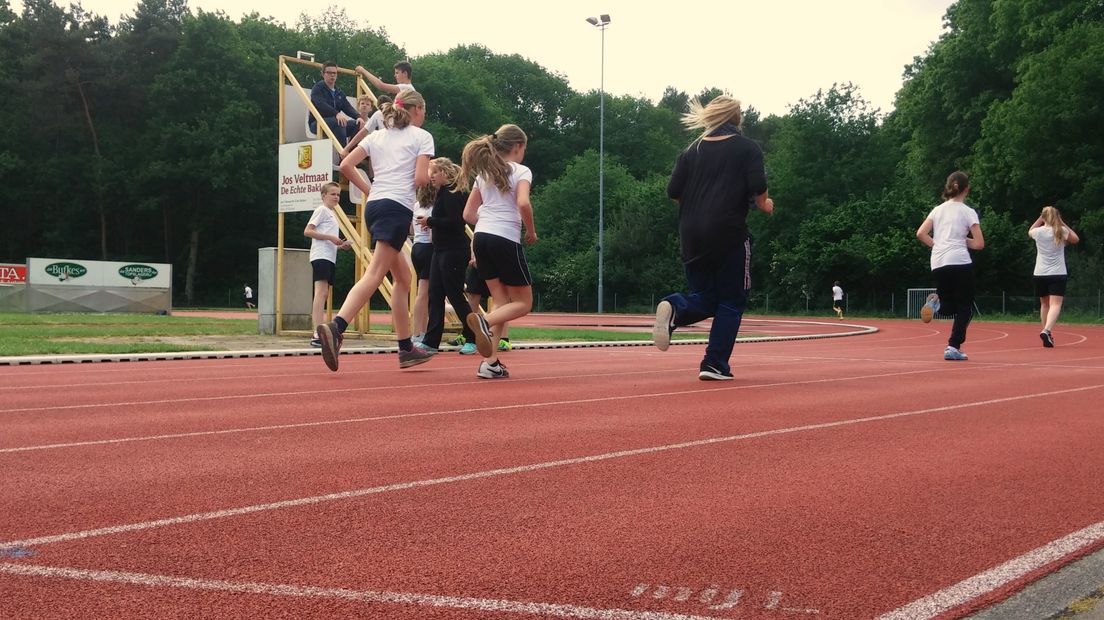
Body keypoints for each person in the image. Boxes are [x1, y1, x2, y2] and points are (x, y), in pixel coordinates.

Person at [652, 95, 773, 381]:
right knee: (732, 300)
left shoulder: (690, 150)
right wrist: (768, 206)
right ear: (737, 118)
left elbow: (674, 193)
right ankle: (714, 363)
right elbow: (759, 191)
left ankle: (676, 309)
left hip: (692, 235)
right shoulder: (747, 148)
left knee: (706, 299)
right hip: (729, 233)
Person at [317, 89, 436, 372]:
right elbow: (420, 177)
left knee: (404, 278)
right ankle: (337, 327)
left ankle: (406, 348)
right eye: (425, 110)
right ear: (417, 110)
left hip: (376, 206)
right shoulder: (422, 137)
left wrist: (370, 190)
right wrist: (433, 177)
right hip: (396, 208)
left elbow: (345, 164)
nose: (425, 115)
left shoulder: (376, 136)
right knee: (375, 273)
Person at [459, 124, 537, 379]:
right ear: (517, 147)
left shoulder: (483, 174)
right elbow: (523, 202)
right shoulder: (521, 170)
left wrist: (488, 216)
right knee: (523, 303)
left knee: (502, 302)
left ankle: (490, 363)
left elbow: (468, 214)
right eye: (524, 148)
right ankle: (484, 321)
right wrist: (531, 231)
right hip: (504, 238)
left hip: (481, 238)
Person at [915, 171, 985, 361]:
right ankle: (953, 346)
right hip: (960, 261)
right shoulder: (968, 211)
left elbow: (921, 233)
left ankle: (935, 303)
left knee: (950, 306)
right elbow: (979, 243)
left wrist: (938, 244)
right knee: (965, 308)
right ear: (967, 189)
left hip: (938, 261)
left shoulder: (937, 210)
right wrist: (961, 240)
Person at [415, 157, 479, 353]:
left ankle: (473, 336)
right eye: (430, 172)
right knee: (435, 294)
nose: (431, 176)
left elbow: (455, 222)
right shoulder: (442, 193)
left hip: (454, 250)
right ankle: (431, 340)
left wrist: (430, 221)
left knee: (455, 295)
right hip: (440, 250)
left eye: (434, 172)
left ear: (444, 172)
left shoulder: (453, 193)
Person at [304, 182, 352, 347]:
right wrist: (331, 238)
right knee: (321, 292)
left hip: (329, 256)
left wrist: (341, 245)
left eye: (338, 194)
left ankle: (319, 331)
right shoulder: (322, 210)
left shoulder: (332, 215)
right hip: (321, 255)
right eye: (333, 194)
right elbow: (308, 231)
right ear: (324, 195)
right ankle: (317, 332)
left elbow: (330, 238)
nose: (336, 197)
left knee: (324, 293)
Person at [1029, 205, 1080, 347]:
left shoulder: (1038, 232)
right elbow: (1075, 239)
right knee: (1055, 304)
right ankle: (1047, 330)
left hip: (1040, 273)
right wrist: (1061, 222)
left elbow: (1030, 230)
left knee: (1044, 304)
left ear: (1043, 217)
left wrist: (1040, 218)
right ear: (1056, 217)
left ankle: (1046, 332)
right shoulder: (1061, 231)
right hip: (1057, 273)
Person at [308, 62, 360, 146]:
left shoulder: (338, 92)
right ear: (323, 74)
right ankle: (343, 155)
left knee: (357, 124)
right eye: (329, 72)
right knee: (339, 122)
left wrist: (358, 117)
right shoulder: (317, 89)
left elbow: (347, 106)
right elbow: (321, 104)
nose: (332, 75)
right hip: (317, 123)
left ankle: (350, 151)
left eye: (334, 73)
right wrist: (336, 114)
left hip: (335, 123)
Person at [410, 198, 433, 342]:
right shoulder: (434, 206)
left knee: (424, 292)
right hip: (427, 247)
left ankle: (421, 331)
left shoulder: (416, 205)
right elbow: (432, 234)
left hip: (416, 245)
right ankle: (418, 333)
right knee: (424, 293)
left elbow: (411, 229)